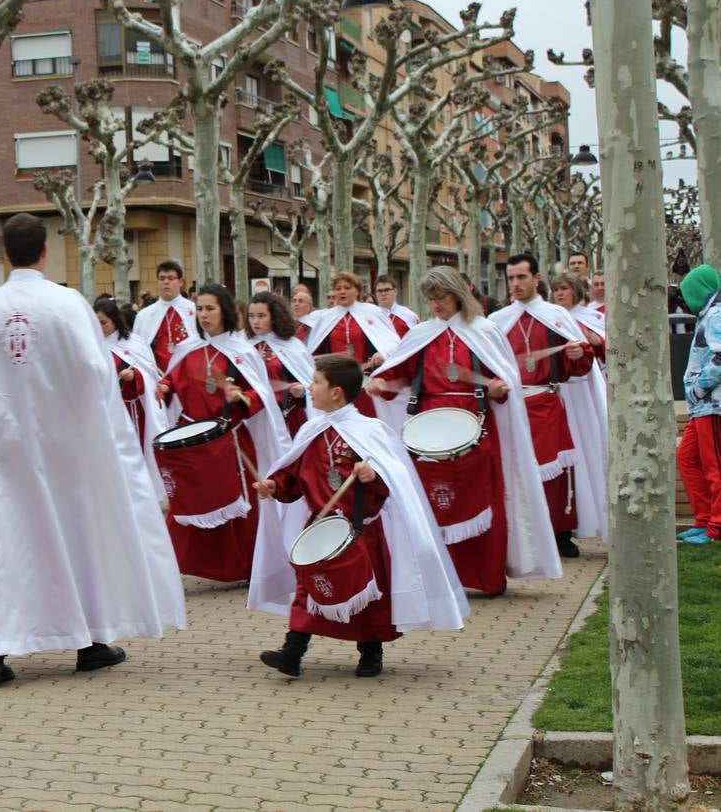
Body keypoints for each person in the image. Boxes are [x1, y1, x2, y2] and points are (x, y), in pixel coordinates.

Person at [0, 213, 186, 689]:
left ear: (4, 253)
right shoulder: (66, 304)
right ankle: (89, 643)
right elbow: (94, 373)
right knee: (75, 536)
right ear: (45, 252)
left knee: (6, 545)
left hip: (3, 449)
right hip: (64, 447)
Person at [251, 355, 469, 678]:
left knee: (370, 593)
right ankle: (292, 651)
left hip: (361, 529)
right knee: (308, 589)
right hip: (320, 527)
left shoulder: (370, 430)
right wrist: (274, 485)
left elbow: (394, 478)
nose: (309, 388)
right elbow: (294, 478)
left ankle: (370, 651)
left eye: (316, 382)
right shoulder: (312, 430)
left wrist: (373, 474)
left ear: (336, 391)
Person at [367, 267, 562, 596]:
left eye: (440, 297)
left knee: (484, 499)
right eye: (430, 299)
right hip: (427, 428)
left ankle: (486, 577)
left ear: (457, 294)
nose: (435, 304)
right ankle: (438, 576)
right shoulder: (421, 334)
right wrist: (383, 383)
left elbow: (503, 380)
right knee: (430, 502)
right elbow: (401, 376)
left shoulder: (483, 331)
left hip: (476, 424)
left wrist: (499, 388)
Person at [156, 284, 291, 582]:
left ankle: (248, 568)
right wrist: (163, 387)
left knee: (240, 505)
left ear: (225, 311)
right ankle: (177, 565)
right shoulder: (187, 349)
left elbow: (262, 395)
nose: (204, 315)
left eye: (210, 308)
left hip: (230, 439)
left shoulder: (242, 351)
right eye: (200, 309)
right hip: (191, 438)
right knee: (189, 500)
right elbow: (172, 380)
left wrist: (242, 399)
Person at [489, 253, 610, 559]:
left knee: (555, 473)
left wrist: (576, 356)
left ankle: (560, 534)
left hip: (546, 400)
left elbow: (581, 366)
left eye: (521, 277)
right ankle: (524, 534)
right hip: (511, 404)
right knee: (514, 472)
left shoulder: (556, 315)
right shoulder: (498, 320)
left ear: (536, 279)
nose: (515, 284)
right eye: (511, 278)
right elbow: (486, 362)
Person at [95, 296, 168, 501]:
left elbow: (151, 375)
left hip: (131, 413)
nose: (99, 327)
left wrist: (134, 375)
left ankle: (139, 496)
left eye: (103, 322)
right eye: (96, 322)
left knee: (132, 458)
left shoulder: (133, 343)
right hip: (103, 412)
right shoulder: (91, 344)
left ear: (115, 320)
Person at [303, 271, 402, 418]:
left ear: (357, 290)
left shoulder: (373, 312)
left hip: (364, 381)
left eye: (347, 287)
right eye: (338, 288)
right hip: (335, 385)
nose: (342, 291)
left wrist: (383, 353)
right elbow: (312, 353)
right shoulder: (326, 318)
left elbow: (394, 344)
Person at [677, 264, 721, 545]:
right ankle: (704, 519)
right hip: (703, 407)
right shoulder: (710, 314)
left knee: (714, 467)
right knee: (688, 459)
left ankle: (716, 527)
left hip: (713, 405)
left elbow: (720, 358)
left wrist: (697, 390)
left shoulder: (715, 315)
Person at [245, 291, 315, 437]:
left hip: (287, 417)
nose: (255, 322)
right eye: (251, 316)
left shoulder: (292, 346)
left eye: (261, 316)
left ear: (274, 317)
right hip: (255, 418)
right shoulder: (243, 346)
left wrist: (302, 391)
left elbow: (311, 384)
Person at [131, 260, 198, 373]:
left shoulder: (195, 310)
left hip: (188, 374)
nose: (166, 282)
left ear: (180, 282)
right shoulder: (144, 315)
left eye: (171, 278)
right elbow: (138, 350)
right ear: (157, 282)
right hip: (157, 376)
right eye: (162, 278)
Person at [550, 274, 606, 368]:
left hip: (591, 370)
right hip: (560, 374)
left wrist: (600, 341)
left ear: (575, 290)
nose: (559, 293)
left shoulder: (593, 316)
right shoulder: (547, 317)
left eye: (564, 288)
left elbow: (615, 345)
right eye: (556, 290)